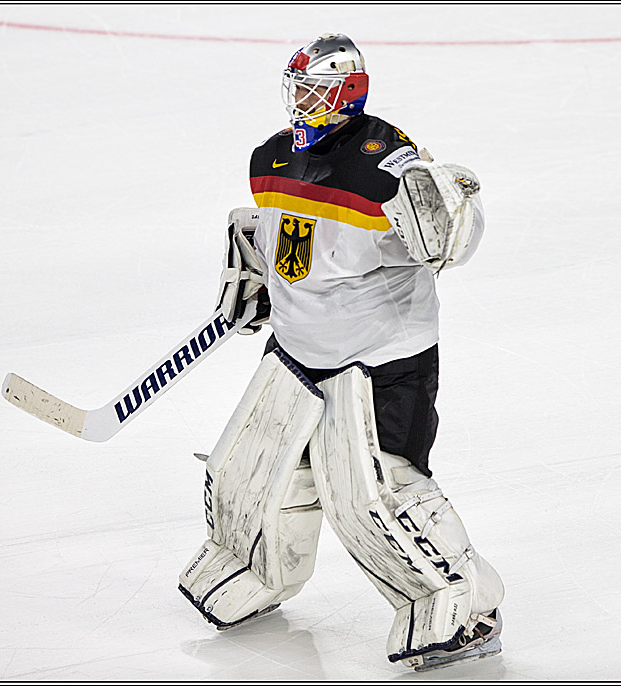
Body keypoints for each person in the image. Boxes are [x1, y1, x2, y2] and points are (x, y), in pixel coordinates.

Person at [178, 33, 504, 672]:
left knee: (375, 494)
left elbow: (448, 237)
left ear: (346, 94)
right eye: (296, 89)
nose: (300, 101)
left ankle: (461, 606)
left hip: (381, 360)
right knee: (257, 475)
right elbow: (279, 236)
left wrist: (448, 206)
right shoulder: (271, 158)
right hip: (295, 351)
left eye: (314, 90)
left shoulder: (385, 164)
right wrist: (251, 288)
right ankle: (256, 571)